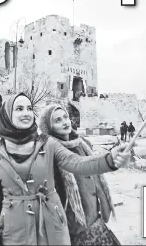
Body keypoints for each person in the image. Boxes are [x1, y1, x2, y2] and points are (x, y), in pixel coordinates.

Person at [0, 93, 130, 246]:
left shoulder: (47, 144)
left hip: (50, 230)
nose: (26, 113)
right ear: (7, 115)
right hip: (14, 232)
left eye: (29, 108)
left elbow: (78, 163)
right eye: (19, 109)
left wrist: (109, 159)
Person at [39, 105, 121, 245]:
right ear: (49, 127)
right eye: (58, 120)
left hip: (96, 224)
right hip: (72, 230)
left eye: (66, 117)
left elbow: (95, 176)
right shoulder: (48, 152)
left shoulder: (83, 144)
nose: (65, 122)